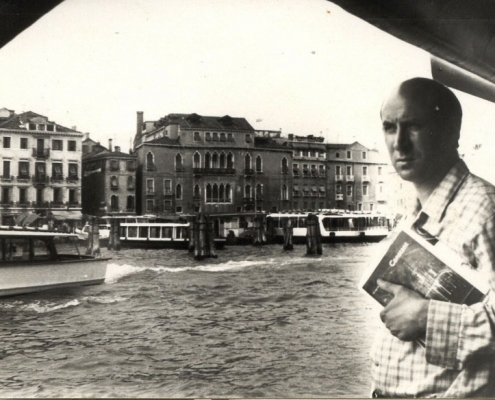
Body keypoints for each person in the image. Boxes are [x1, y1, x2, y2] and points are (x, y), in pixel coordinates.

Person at [371, 77, 495, 397]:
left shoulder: (485, 210)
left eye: (412, 126)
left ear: (451, 133)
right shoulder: (414, 213)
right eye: (389, 127)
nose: (399, 143)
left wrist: (425, 317)